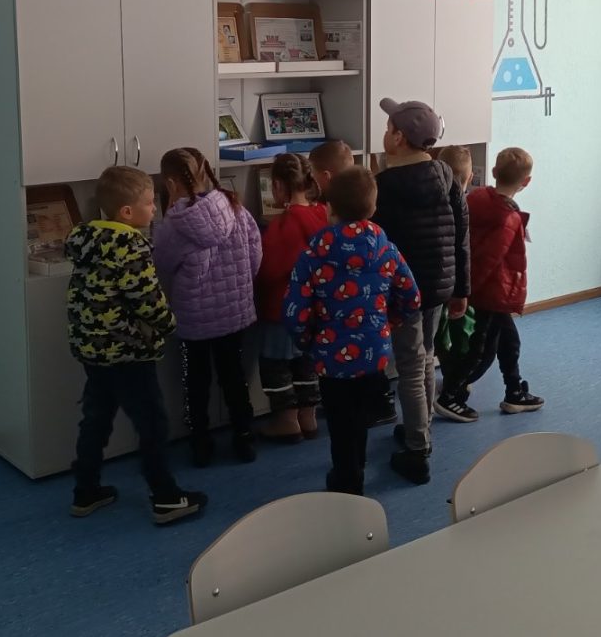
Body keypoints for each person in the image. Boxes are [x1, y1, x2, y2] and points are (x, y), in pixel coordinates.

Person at [65, 166, 207, 524]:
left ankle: (85, 490)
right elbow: (147, 300)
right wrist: (170, 323)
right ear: (127, 212)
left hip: (93, 350)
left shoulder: (87, 240)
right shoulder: (130, 247)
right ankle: (165, 497)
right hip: (129, 352)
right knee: (152, 424)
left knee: (95, 419)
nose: (155, 208)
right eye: (149, 203)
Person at [284, 166, 420, 495]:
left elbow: (295, 312)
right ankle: (356, 467)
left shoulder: (313, 255)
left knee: (340, 424)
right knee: (360, 418)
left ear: (329, 208)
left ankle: (347, 480)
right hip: (375, 354)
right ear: (373, 208)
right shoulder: (386, 249)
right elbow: (411, 297)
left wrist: (306, 342)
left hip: (332, 359)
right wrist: (391, 322)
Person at [372, 98, 470, 484]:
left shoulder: (384, 186)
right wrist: (462, 288)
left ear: (398, 138)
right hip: (440, 284)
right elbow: (462, 236)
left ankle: (417, 448)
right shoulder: (446, 174)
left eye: (388, 129)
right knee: (425, 356)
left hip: (405, 291)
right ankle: (421, 425)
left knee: (411, 365)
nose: (384, 134)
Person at [152, 147, 262, 467]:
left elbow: (162, 264)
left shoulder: (173, 223)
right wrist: (240, 286)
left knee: (195, 382)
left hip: (195, 318)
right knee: (234, 375)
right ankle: (244, 437)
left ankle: (200, 443)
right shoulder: (235, 206)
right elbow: (255, 253)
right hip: (234, 311)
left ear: (170, 184)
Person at [436, 147, 543, 421]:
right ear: (527, 181)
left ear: (493, 172)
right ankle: (450, 395)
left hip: (486, 291)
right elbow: (488, 260)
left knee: (509, 342)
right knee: (480, 350)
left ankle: (514, 391)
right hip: (491, 293)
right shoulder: (507, 218)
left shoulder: (476, 198)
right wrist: (468, 292)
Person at [253, 153, 329, 443]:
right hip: (313, 308)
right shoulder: (322, 213)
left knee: (276, 364)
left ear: (277, 186)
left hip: (281, 308)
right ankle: (308, 417)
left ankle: (286, 421)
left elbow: (268, 270)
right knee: (305, 362)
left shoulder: (285, 223)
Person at [432, 145, 477, 410]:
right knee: (460, 333)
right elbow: (464, 250)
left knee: (440, 333)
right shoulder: (464, 206)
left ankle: (451, 375)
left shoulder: (432, 205)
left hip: (436, 282)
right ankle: (455, 380)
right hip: (457, 282)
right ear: (471, 176)